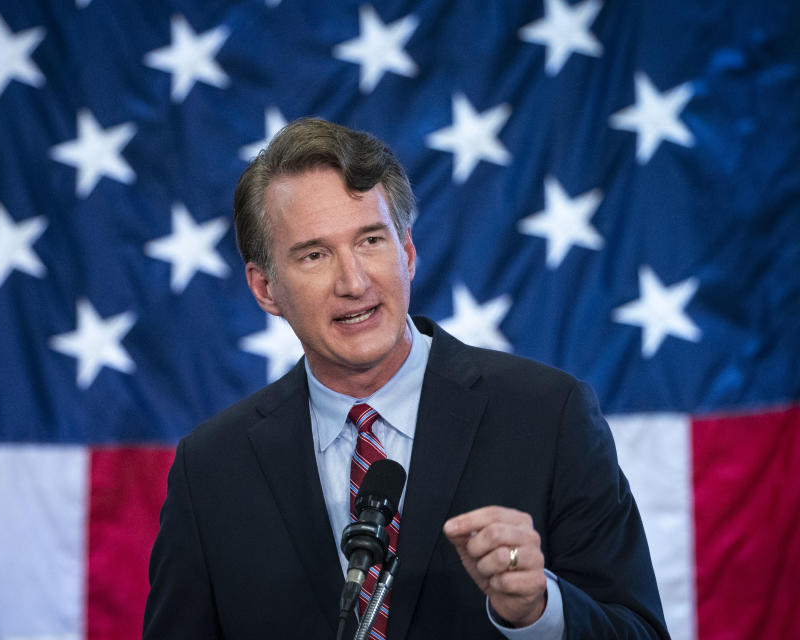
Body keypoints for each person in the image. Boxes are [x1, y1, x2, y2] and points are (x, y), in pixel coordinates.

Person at [142, 118, 669, 639]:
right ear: (265, 289)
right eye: (315, 255)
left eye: (371, 240)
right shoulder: (212, 470)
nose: (353, 282)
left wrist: (540, 610)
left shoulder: (548, 417)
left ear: (408, 254)